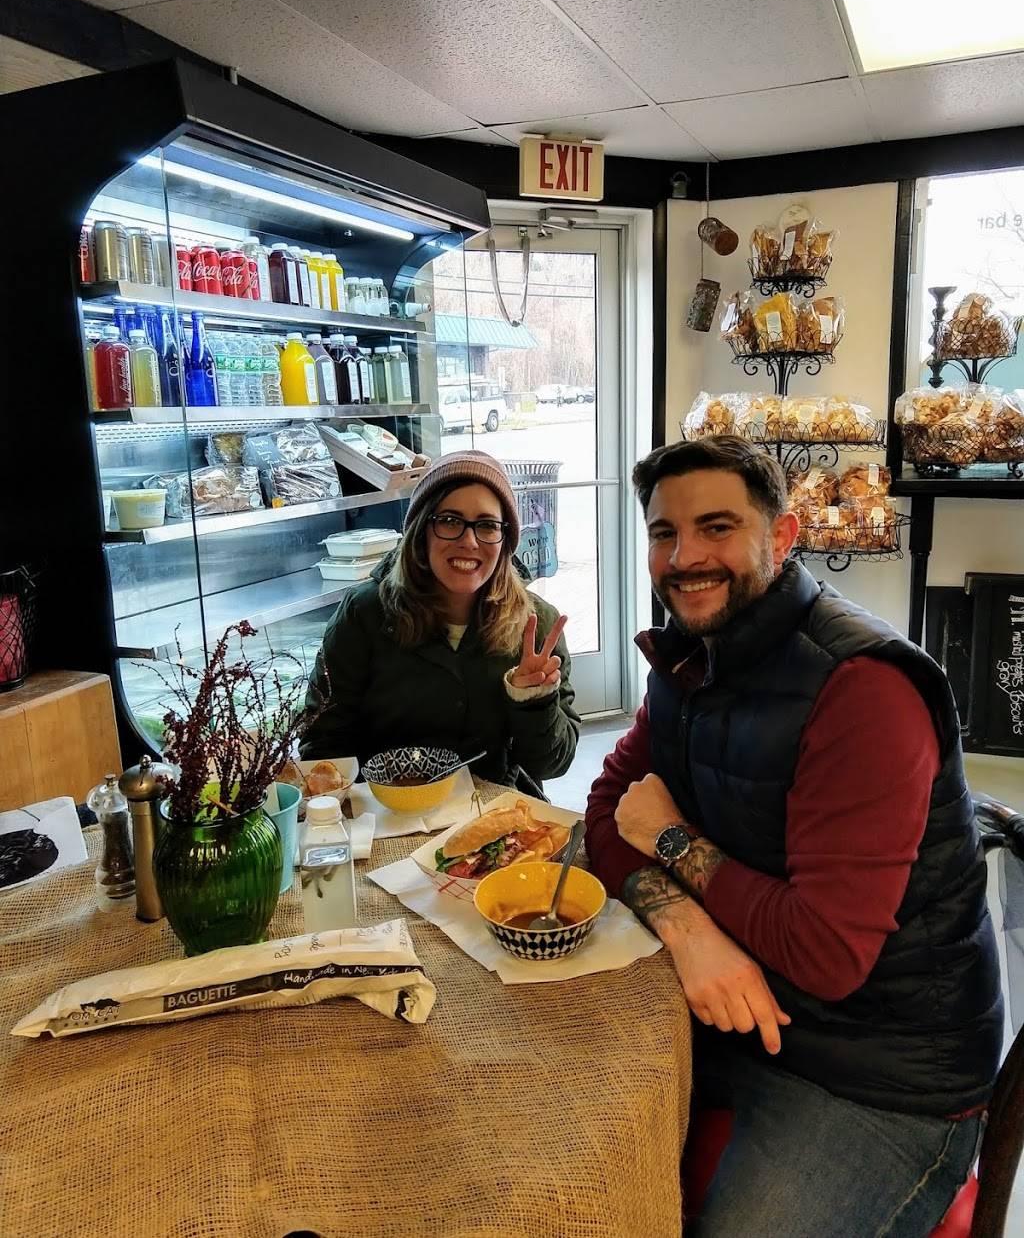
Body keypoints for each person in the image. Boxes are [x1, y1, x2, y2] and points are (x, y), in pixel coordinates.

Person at [585, 437, 1002, 1238]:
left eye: (717, 527)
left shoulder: (862, 689)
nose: (685, 556)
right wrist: (688, 930)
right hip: (740, 1013)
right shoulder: (689, 655)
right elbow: (607, 810)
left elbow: (825, 952)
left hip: (880, 1074)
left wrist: (671, 837)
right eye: (665, 533)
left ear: (782, 536)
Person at [300, 451, 579, 794]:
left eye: (488, 525)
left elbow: (553, 764)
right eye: (449, 521)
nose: (469, 541)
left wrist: (533, 698)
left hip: (495, 810)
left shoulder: (536, 625)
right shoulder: (364, 615)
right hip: (387, 811)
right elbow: (323, 743)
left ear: (505, 539)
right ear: (422, 532)